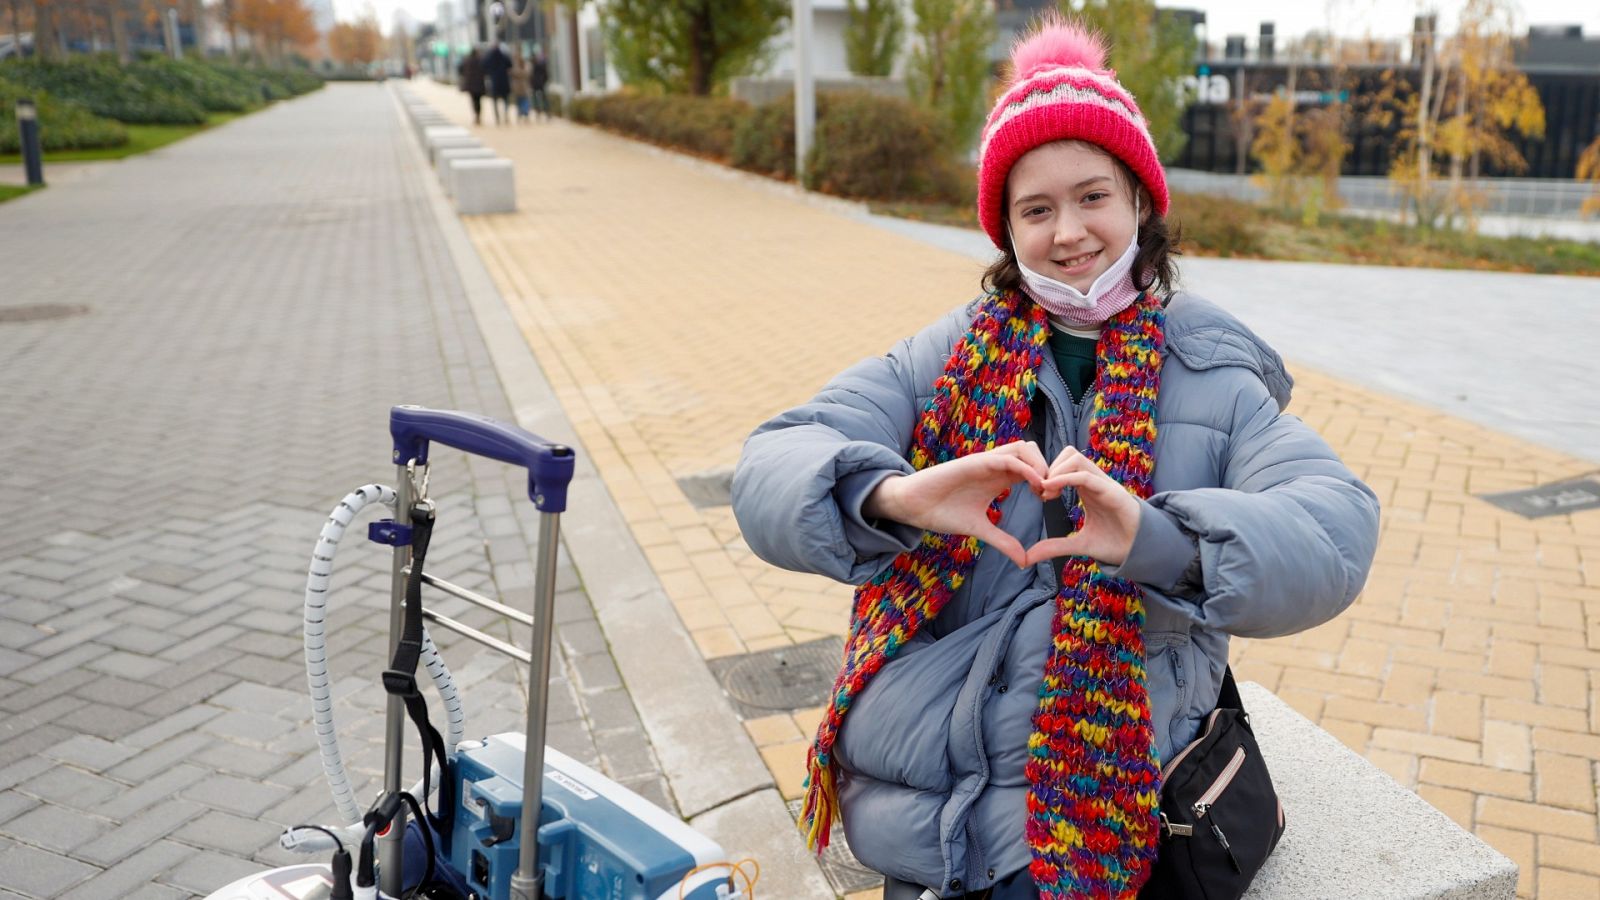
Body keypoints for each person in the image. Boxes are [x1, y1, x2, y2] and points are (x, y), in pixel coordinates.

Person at [731, 17, 1380, 900]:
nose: (1069, 232)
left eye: (1093, 196)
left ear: (1142, 201)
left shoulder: (1215, 375)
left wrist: (1161, 541)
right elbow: (774, 459)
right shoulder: (950, 356)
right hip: (931, 814)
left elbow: (1336, 529)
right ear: (1005, 229)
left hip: (1113, 813)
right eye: (1036, 209)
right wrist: (890, 496)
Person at [483, 41, 512, 126]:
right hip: (504, 81)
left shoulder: (489, 56)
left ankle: (497, 117)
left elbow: (483, 65)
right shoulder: (504, 56)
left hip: (494, 81)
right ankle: (506, 115)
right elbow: (510, 65)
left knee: (495, 101)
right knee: (505, 100)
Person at [457, 47, 485, 126]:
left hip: (470, 84)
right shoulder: (480, 60)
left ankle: (476, 115)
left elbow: (460, 69)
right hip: (479, 84)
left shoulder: (466, 61)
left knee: (473, 100)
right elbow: (485, 70)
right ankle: (478, 115)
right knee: (479, 101)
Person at [529, 49, 551, 121]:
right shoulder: (542, 64)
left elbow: (530, 76)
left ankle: (540, 112)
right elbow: (546, 75)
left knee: (537, 99)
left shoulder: (533, 66)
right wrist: (544, 81)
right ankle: (546, 112)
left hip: (536, 84)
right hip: (540, 83)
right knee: (543, 98)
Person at [511, 50, 531, 123]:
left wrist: (517, 73)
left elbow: (513, 72)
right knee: (520, 101)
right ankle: (522, 113)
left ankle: (524, 113)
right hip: (519, 87)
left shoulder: (524, 65)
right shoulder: (516, 65)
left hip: (522, 86)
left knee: (523, 100)